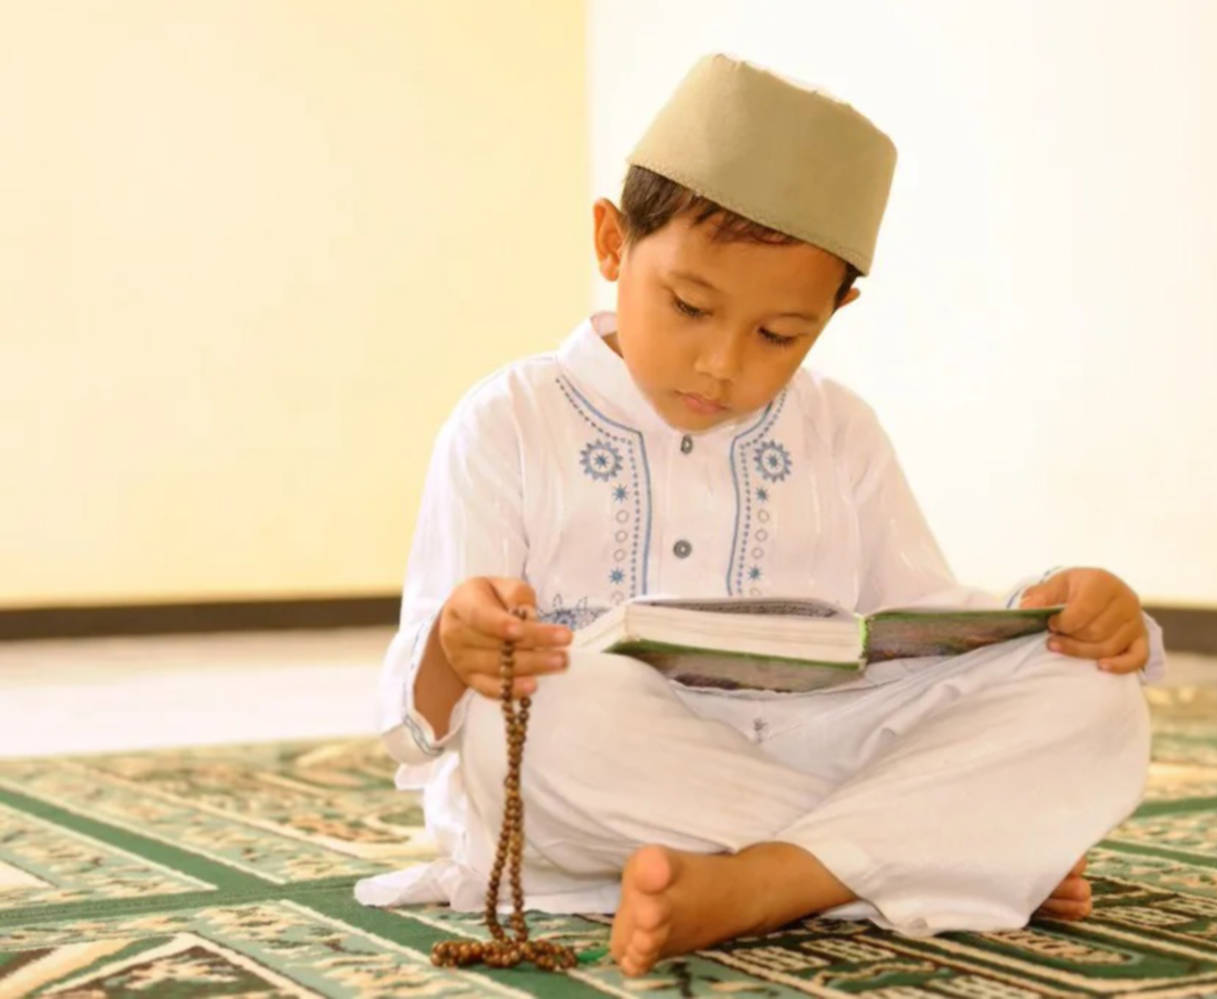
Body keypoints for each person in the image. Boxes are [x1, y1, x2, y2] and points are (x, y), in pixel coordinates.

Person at [357, 53, 1164, 978]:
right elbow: (419, 719)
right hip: (609, 769)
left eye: (779, 335)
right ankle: (926, 850)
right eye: (690, 306)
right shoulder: (507, 421)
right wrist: (459, 649)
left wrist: (1057, 610)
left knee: (1091, 689)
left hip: (816, 745)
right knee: (532, 709)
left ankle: (770, 881)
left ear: (836, 308)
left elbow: (925, 631)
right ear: (613, 244)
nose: (721, 362)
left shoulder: (841, 430)